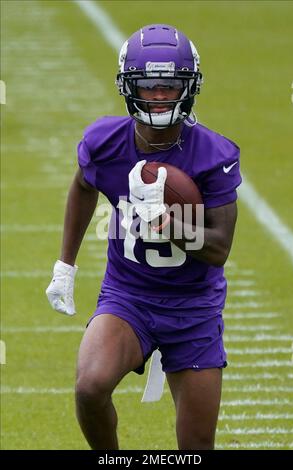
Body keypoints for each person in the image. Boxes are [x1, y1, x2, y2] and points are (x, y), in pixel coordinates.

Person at [46, 24, 242, 450]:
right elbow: (83, 185)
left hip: (193, 308)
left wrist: (166, 223)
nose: (157, 96)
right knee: (90, 386)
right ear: (128, 87)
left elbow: (219, 247)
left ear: (187, 89)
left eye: (168, 87)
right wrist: (66, 265)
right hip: (128, 295)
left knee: (196, 448)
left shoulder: (213, 154)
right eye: (148, 87)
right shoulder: (106, 142)